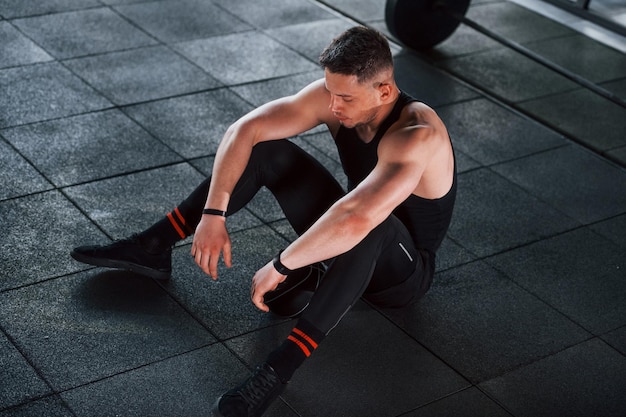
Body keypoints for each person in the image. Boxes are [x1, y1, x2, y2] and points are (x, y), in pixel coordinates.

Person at [71, 26, 456, 417]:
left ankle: (276, 371)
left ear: (384, 92)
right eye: (330, 92)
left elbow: (358, 216)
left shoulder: (415, 134)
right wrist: (213, 212)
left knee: (375, 224)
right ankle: (153, 246)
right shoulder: (339, 99)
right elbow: (246, 128)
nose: (334, 106)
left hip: (401, 274)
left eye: (345, 97)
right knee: (267, 149)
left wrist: (282, 263)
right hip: (347, 228)